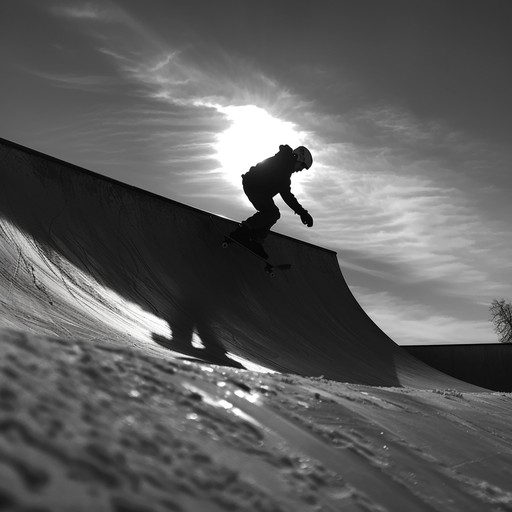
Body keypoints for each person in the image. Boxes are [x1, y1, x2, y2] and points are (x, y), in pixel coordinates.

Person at [230, 144, 314, 259]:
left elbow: (285, 191)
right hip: (254, 186)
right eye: (302, 167)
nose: (300, 170)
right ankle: (242, 232)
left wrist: (302, 213)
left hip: (259, 188)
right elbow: (287, 195)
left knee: (273, 213)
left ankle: (255, 239)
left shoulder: (284, 164)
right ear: (298, 159)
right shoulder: (283, 167)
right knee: (271, 212)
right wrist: (303, 213)